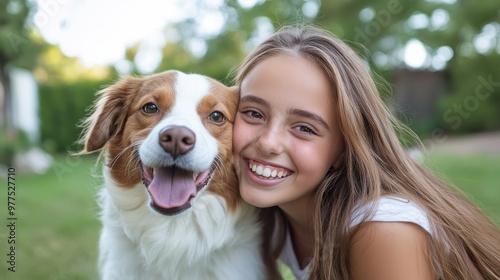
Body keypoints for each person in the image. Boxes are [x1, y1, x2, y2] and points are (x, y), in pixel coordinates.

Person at [232, 25, 500, 280]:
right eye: (254, 113)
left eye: (304, 128)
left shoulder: (383, 230)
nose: (268, 143)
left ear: (344, 149)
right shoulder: (266, 212)